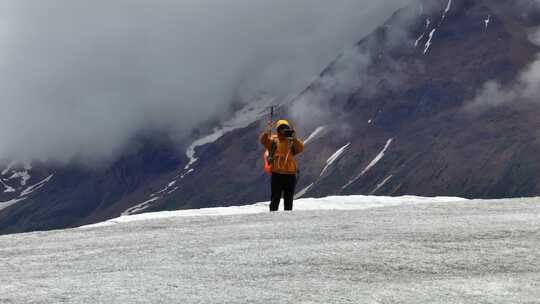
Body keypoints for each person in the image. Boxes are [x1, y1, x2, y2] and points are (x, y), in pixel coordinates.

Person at [260, 119, 304, 211]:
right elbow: (263, 141)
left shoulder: (292, 141)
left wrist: (294, 138)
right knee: (275, 198)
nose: (283, 130)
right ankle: (272, 215)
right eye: (281, 128)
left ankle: (287, 219)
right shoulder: (274, 140)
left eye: (286, 128)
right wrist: (267, 132)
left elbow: (300, 148)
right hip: (277, 174)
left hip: (290, 174)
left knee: (289, 199)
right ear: (278, 129)